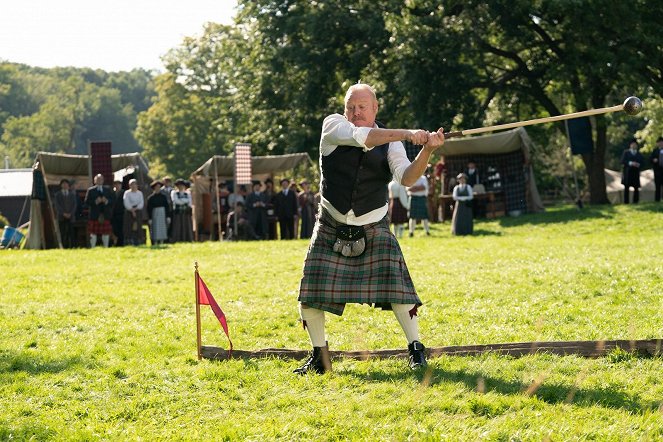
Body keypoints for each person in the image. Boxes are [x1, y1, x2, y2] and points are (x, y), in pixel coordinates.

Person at [294, 83, 445, 374]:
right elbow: (361, 137)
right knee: (310, 294)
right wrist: (407, 133)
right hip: (331, 221)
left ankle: (416, 350)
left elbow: (407, 178)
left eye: (362, 106)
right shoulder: (334, 126)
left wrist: (425, 150)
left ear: (375, 108)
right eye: (351, 106)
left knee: (400, 291)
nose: (355, 112)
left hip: (373, 223)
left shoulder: (392, 144)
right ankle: (320, 358)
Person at [84, 174, 114, 248]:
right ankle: (93, 247)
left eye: (101, 179)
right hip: (94, 215)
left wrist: (106, 201)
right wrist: (95, 202)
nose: (99, 181)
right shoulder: (90, 190)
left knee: (105, 232)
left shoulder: (108, 189)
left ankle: (106, 247)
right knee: (93, 232)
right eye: (97, 180)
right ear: (94, 181)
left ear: (103, 181)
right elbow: (86, 202)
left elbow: (113, 200)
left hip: (105, 214)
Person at [54, 178, 78, 248]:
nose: (65, 185)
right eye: (63, 184)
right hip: (61, 217)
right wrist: (63, 213)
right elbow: (57, 206)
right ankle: (64, 246)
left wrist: (71, 213)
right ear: (61, 185)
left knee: (71, 232)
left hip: (71, 216)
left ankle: (72, 246)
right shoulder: (57, 195)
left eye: (66, 184)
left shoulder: (72, 195)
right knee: (63, 232)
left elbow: (74, 205)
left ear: (68, 185)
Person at [147, 180, 171, 245]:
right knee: (155, 228)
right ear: (154, 188)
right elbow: (149, 209)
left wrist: (168, 216)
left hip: (162, 214)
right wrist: (150, 218)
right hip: (155, 214)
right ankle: (155, 242)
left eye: (159, 187)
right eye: (156, 187)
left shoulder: (163, 197)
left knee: (162, 228)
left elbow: (167, 207)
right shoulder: (151, 198)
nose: (158, 188)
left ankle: (162, 241)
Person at [620, 139, 645, 204]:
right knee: (626, 188)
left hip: (636, 173)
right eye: (632, 144)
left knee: (636, 188)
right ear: (630, 145)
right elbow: (622, 161)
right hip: (628, 173)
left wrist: (638, 164)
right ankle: (626, 202)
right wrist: (630, 163)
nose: (634, 146)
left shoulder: (639, 154)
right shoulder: (626, 152)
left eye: (635, 144)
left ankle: (635, 201)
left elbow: (643, 163)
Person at [170, 178, 193, 242]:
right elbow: (176, 201)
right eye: (179, 185)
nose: (180, 187)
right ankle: (177, 239)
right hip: (178, 212)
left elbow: (190, 202)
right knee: (178, 226)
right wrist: (184, 201)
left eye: (182, 185)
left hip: (185, 212)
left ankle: (186, 238)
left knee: (186, 225)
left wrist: (182, 201)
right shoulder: (174, 193)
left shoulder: (187, 193)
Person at [122, 178, 144, 246]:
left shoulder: (140, 193)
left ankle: (139, 241)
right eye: (132, 184)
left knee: (138, 226)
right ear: (129, 185)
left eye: (134, 184)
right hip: (129, 212)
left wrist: (135, 209)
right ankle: (129, 241)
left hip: (138, 211)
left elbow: (141, 203)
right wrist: (131, 210)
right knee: (129, 227)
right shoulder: (127, 193)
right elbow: (126, 203)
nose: (133, 186)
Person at [111, 180, 125, 246]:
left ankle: (121, 243)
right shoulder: (112, 193)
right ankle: (116, 243)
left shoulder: (124, 193)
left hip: (121, 214)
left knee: (121, 229)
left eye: (119, 184)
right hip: (114, 214)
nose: (117, 186)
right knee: (115, 229)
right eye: (116, 184)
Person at [650, 136, 663, 202]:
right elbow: (650, 159)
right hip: (657, 171)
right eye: (659, 142)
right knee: (657, 186)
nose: (660, 144)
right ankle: (657, 200)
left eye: (661, 142)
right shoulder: (655, 151)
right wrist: (653, 160)